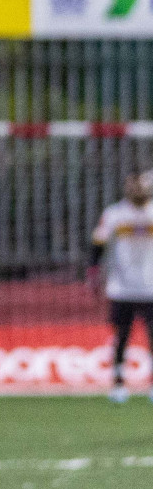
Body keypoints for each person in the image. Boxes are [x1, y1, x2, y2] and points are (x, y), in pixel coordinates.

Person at [90, 170, 153, 403]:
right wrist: (93, 272)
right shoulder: (115, 213)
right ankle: (117, 384)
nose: (137, 190)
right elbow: (98, 243)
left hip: (150, 288)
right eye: (133, 185)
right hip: (121, 288)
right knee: (121, 337)